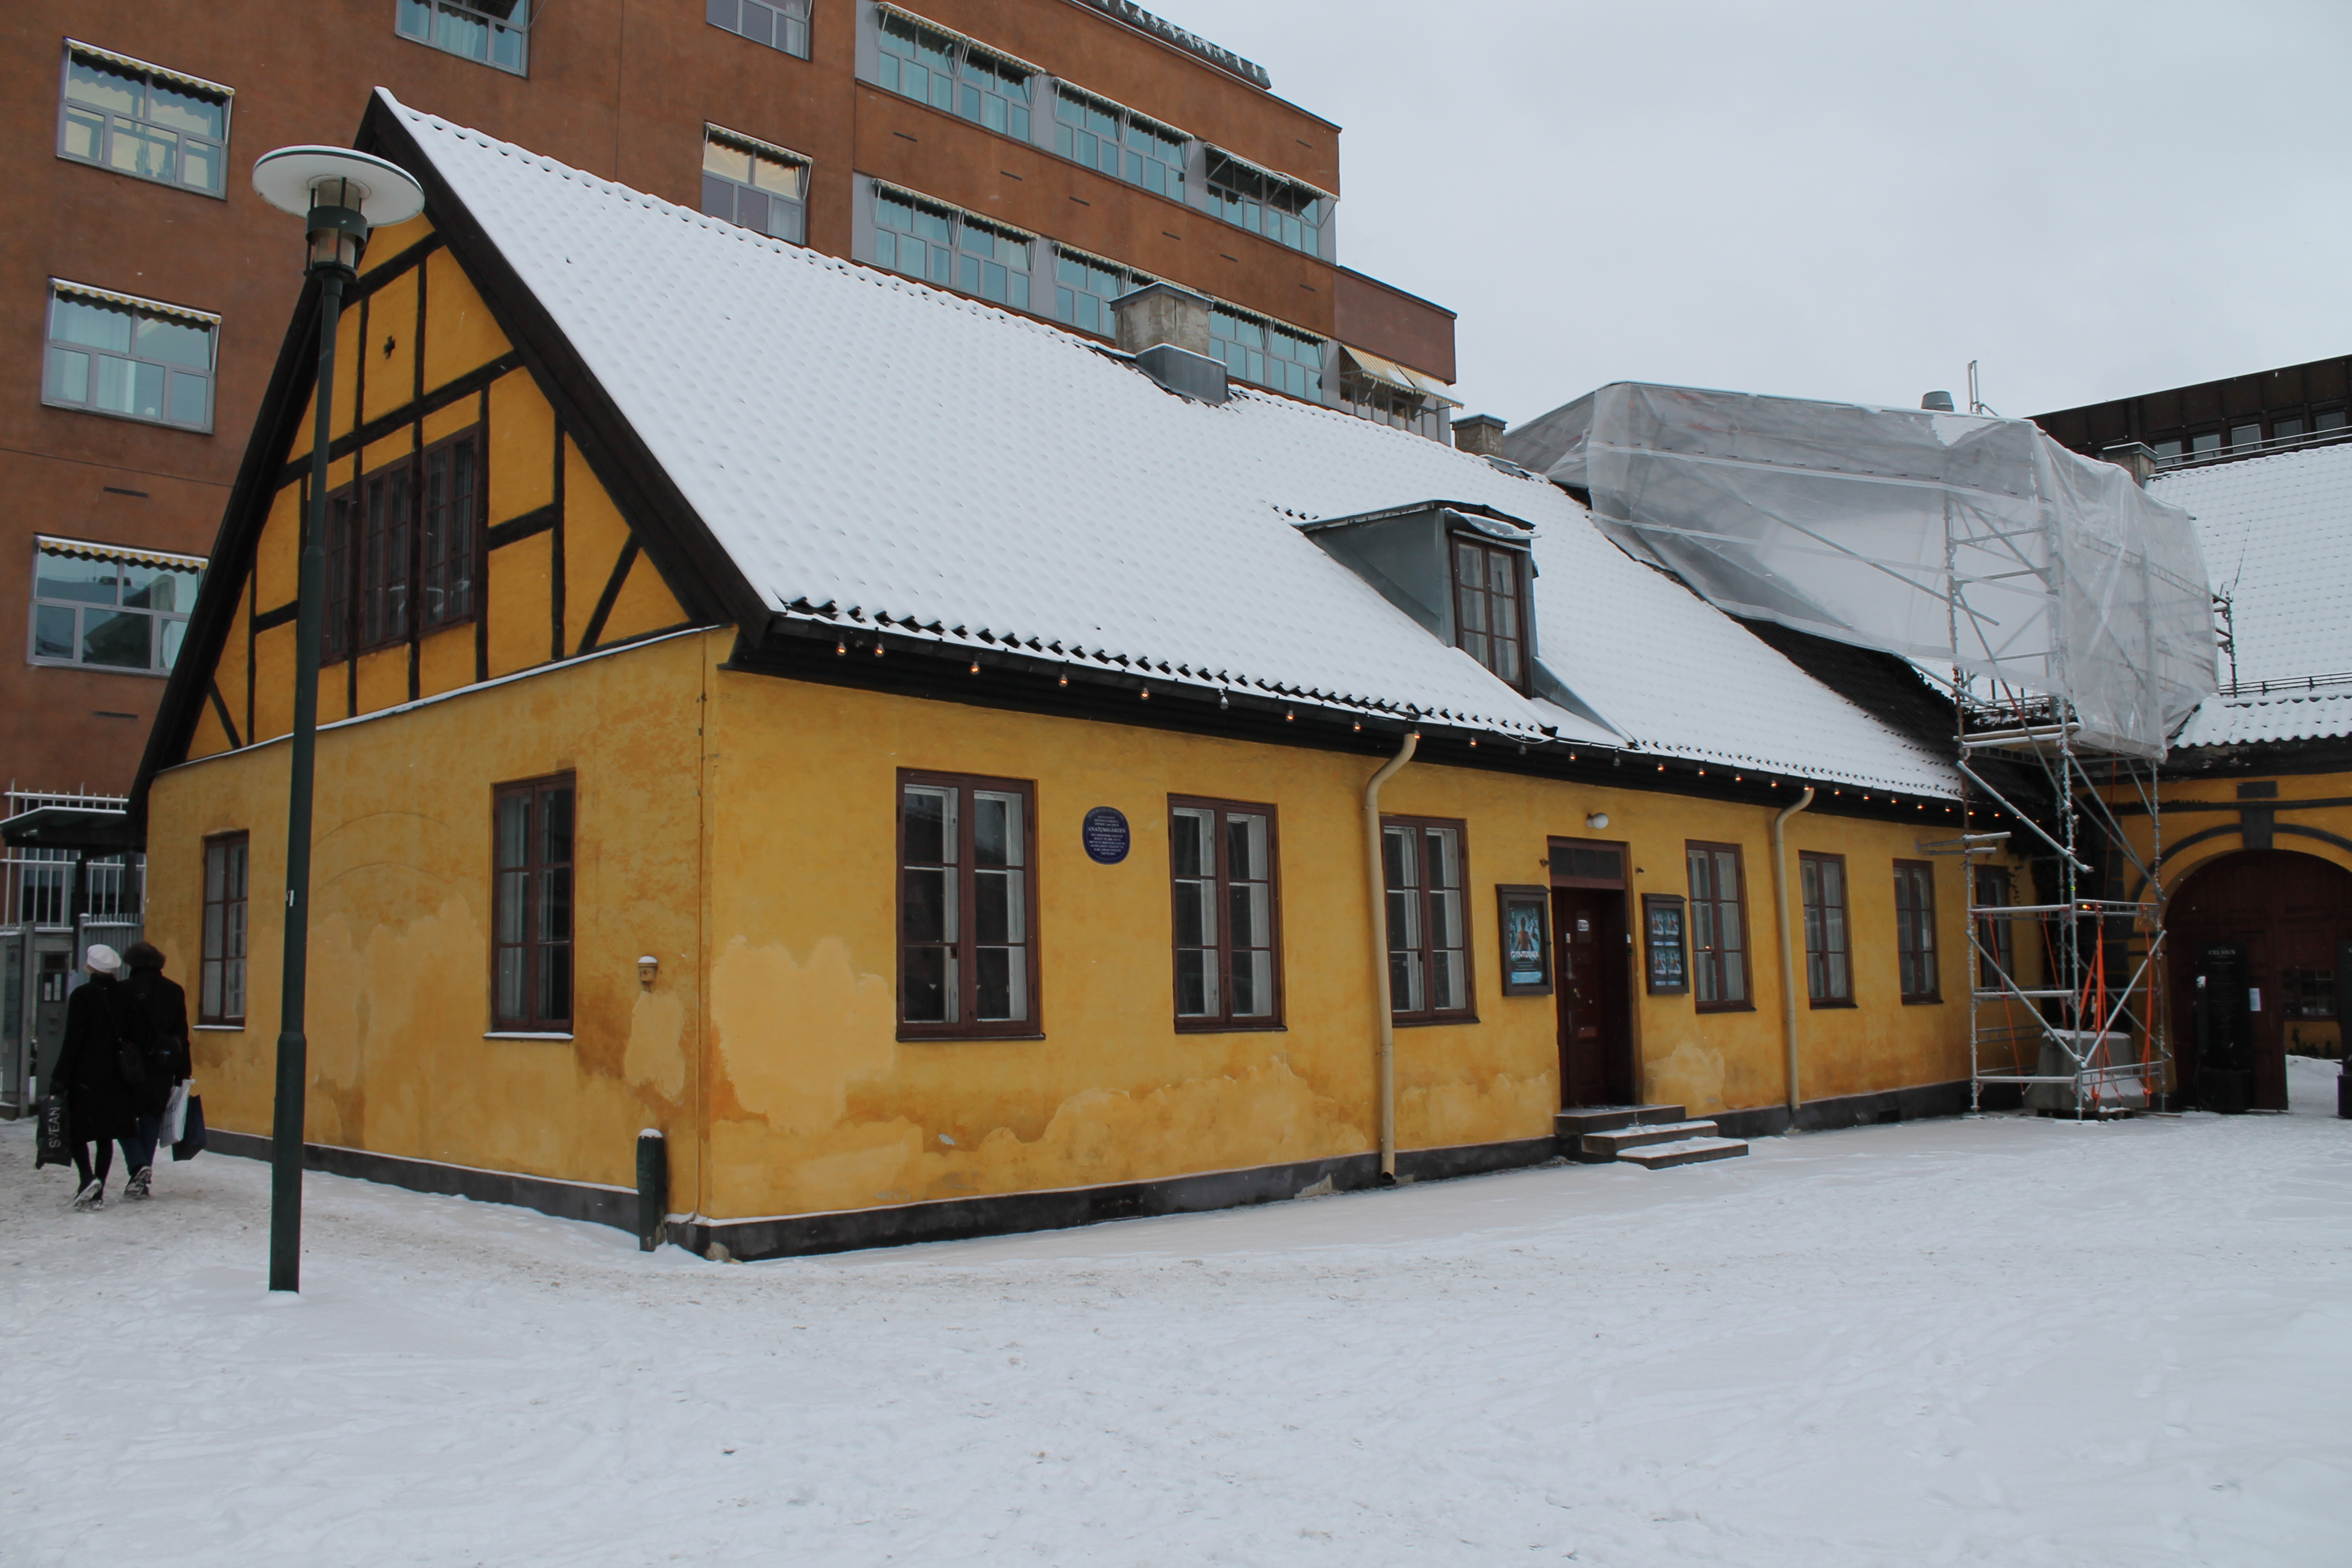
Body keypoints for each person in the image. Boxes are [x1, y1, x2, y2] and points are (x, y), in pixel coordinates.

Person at [51, 944, 140, 1210]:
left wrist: (60, 1076)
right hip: (117, 1076)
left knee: (78, 1131)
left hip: (86, 1075)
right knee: (106, 1135)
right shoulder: (126, 995)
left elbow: (73, 1040)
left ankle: (87, 1179)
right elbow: (135, 1034)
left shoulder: (82, 996)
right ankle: (98, 1187)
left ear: (91, 967)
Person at [119, 941, 190, 1200]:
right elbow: (181, 1033)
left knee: (123, 1118)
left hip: (128, 1065)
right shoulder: (174, 991)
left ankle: (138, 1165)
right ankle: (141, 1177)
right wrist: (184, 1071)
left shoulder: (122, 991)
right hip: (163, 1064)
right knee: (151, 1118)